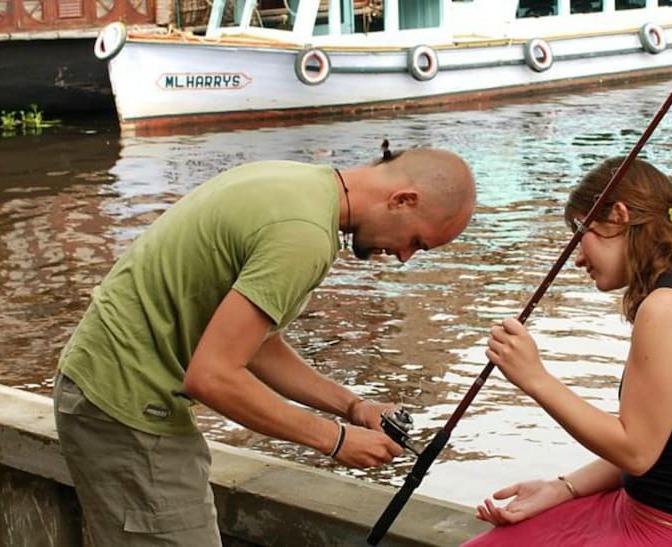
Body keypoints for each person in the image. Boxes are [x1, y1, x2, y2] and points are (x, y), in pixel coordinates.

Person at [52, 144, 476, 545]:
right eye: (417, 242)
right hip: (126, 410)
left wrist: (354, 408)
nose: (404, 257)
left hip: (102, 389)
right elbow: (213, 376)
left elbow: (255, 346)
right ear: (403, 199)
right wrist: (335, 440)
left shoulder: (298, 185)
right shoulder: (303, 235)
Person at [465, 157, 672, 546]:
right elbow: (658, 446)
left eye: (581, 232)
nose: (578, 257)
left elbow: (636, 451)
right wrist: (561, 488)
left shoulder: (667, 308)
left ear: (618, 216)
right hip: (638, 509)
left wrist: (535, 378)